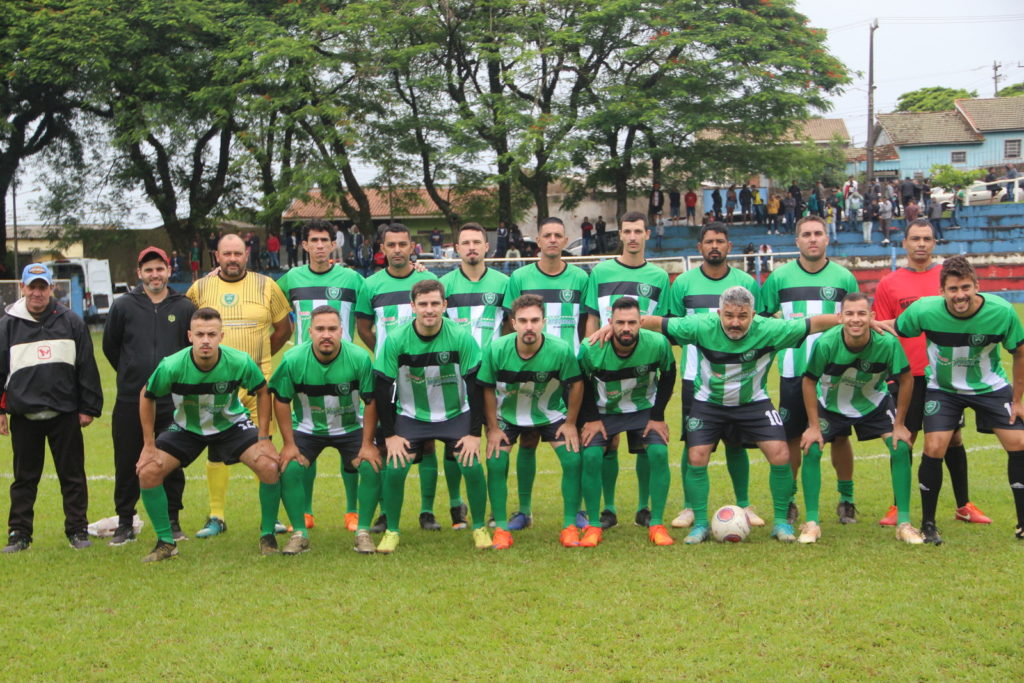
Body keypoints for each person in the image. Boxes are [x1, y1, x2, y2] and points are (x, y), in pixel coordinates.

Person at [631, 286, 841, 544]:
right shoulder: (700, 326)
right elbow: (658, 323)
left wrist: (856, 320)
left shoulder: (772, 329)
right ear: (719, 312)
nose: (735, 322)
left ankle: (780, 523)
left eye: (742, 316)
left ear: (753, 314)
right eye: (729, 316)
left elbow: (814, 323)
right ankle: (699, 524)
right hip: (709, 403)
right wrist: (619, 327)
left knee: (781, 453)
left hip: (754, 403)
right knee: (696, 456)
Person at [134, 307, 297, 562]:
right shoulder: (172, 365)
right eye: (200, 334)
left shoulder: (239, 361)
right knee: (148, 471)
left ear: (222, 336)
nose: (206, 340)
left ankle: (268, 536)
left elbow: (264, 391)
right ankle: (166, 543)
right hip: (187, 428)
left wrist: (264, 438)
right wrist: (148, 445)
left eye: (212, 334)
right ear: (190, 336)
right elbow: (147, 395)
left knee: (268, 466)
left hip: (230, 425)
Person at [889, 255, 1024, 544]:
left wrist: (1018, 400)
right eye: (953, 289)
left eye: (965, 287)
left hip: (989, 386)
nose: (960, 295)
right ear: (942, 292)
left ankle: (1023, 523)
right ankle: (928, 525)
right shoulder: (924, 310)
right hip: (944, 389)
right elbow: (897, 327)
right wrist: (866, 323)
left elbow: (1019, 352)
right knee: (935, 445)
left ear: (977, 285)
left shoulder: (1001, 312)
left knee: (1019, 443)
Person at [873, 219, 983, 527]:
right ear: (904, 243)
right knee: (904, 438)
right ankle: (898, 506)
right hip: (907, 374)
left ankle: (964, 504)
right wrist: (889, 372)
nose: (921, 244)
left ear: (934, 243)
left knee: (954, 438)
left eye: (927, 239)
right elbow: (883, 330)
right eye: (915, 239)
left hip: (946, 374)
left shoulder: (947, 278)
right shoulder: (889, 283)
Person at [185, 233, 292, 538]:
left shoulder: (266, 285)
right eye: (226, 254)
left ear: (247, 255)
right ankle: (216, 516)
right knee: (216, 448)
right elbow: (187, 328)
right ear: (216, 256)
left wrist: (260, 357)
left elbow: (284, 328)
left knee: (265, 446)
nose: (232, 259)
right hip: (215, 386)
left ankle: (269, 518)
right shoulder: (199, 288)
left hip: (259, 383)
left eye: (238, 253)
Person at [373, 280, 489, 554]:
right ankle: (392, 531)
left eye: (435, 303)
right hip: (412, 416)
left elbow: (475, 387)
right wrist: (390, 435)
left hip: (454, 415)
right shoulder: (397, 340)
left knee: (471, 465)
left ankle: (480, 527)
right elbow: (383, 388)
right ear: (412, 307)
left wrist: (474, 434)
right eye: (423, 304)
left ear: (444, 305)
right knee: (396, 467)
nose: (429, 310)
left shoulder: (461, 337)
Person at [799, 292, 923, 544]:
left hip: (873, 403)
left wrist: (899, 424)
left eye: (861, 313)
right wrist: (813, 426)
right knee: (811, 447)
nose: (856, 319)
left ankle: (905, 523)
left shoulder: (886, 343)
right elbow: (809, 381)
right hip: (832, 404)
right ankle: (811, 523)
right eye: (850, 313)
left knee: (900, 447)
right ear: (840, 317)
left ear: (872, 316)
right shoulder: (826, 343)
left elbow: (907, 379)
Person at [759, 216, 859, 525]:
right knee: (791, 438)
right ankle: (789, 501)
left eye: (818, 233)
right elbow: (763, 322)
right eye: (806, 234)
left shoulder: (844, 278)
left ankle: (847, 499)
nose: (812, 239)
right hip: (794, 371)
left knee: (840, 437)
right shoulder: (779, 278)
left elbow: (857, 321)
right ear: (797, 241)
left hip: (835, 374)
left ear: (827, 239)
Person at [667, 225, 765, 530]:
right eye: (709, 241)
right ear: (699, 247)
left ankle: (745, 503)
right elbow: (672, 327)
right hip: (696, 377)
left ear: (729, 246)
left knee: (737, 444)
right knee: (693, 442)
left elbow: (757, 325)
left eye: (720, 241)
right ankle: (689, 507)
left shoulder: (746, 282)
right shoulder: (683, 283)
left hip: (739, 375)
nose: (714, 246)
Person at [0, 263, 103, 553]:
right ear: (22, 288)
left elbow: (86, 366)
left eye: (42, 286)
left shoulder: (70, 321)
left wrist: (88, 407)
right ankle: (19, 534)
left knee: (72, 476)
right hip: (24, 415)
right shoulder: (7, 324)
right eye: (31, 287)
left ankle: (77, 530)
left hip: (65, 413)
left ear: (51, 289)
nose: (37, 292)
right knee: (24, 479)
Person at [355, 223, 449, 531]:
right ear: (382, 249)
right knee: (385, 443)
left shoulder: (428, 280)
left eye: (403, 244)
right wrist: (386, 356)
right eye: (391, 244)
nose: (397, 249)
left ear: (412, 247)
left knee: (429, 442)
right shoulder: (371, 285)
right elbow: (364, 329)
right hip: (390, 377)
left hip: (427, 372)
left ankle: (427, 511)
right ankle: (385, 512)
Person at [276, 219, 366, 531]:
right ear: (304, 245)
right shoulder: (290, 279)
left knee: (350, 440)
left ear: (333, 244)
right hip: (305, 374)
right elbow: (272, 309)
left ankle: (353, 510)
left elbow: (375, 304)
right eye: (313, 240)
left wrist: (416, 271)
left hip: (347, 373)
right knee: (306, 441)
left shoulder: (353, 279)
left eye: (324, 240)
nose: (318, 245)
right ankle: (306, 511)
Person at [102, 247, 194, 546]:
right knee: (128, 459)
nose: (155, 275)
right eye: (148, 269)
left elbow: (190, 350)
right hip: (131, 398)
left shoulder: (184, 307)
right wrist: (132, 373)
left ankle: (172, 520)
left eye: (160, 268)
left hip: (173, 400)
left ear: (169, 270)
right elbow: (111, 347)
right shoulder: (124, 306)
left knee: (171, 460)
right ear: (139, 273)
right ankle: (125, 522)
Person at [269, 306, 381, 555]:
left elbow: (371, 400)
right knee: (289, 468)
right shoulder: (293, 359)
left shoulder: (359, 358)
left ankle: (363, 531)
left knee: (371, 465)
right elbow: (281, 399)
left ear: (342, 331)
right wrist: (288, 444)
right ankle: (300, 533)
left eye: (332, 329)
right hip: (308, 429)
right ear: (309, 332)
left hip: (350, 427)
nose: (326, 334)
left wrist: (367, 443)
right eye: (320, 329)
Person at [584, 211, 670, 529]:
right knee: (608, 442)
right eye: (627, 231)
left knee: (645, 441)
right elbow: (592, 316)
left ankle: (644, 508)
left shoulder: (660, 277)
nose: (632, 236)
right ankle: (608, 508)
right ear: (619, 235)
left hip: (642, 371)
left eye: (638, 231)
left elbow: (661, 324)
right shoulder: (601, 271)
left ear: (647, 234)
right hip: (606, 366)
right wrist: (591, 347)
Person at [479, 294, 583, 548]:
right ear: (513, 323)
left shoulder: (560, 349)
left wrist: (570, 423)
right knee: (495, 461)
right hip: (509, 414)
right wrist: (492, 428)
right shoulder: (497, 349)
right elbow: (486, 388)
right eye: (523, 321)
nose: (529, 326)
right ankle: (502, 527)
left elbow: (576, 384)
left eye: (535, 320)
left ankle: (570, 524)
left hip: (549, 412)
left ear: (544, 322)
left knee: (573, 458)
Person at [505, 217, 590, 524]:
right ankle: (524, 511)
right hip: (528, 371)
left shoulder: (581, 278)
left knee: (572, 439)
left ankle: (577, 510)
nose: (553, 240)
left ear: (565, 241)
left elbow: (586, 323)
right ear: (537, 242)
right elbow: (509, 324)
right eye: (547, 235)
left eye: (558, 235)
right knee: (527, 439)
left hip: (568, 374)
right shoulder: (519, 277)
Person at [578, 297, 676, 548]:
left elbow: (669, 373)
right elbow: (580, 381)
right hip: (605, 410)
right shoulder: (591, 348)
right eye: (620, 322)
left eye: (632, 322)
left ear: (641, 323)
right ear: (609, 322)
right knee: (591, 456)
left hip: (643, 408)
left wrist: (657, 416)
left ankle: (655, 522)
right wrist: (591, 418)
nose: (626, 328)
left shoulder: (657, 344)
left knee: (657, 451)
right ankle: (595, 523)